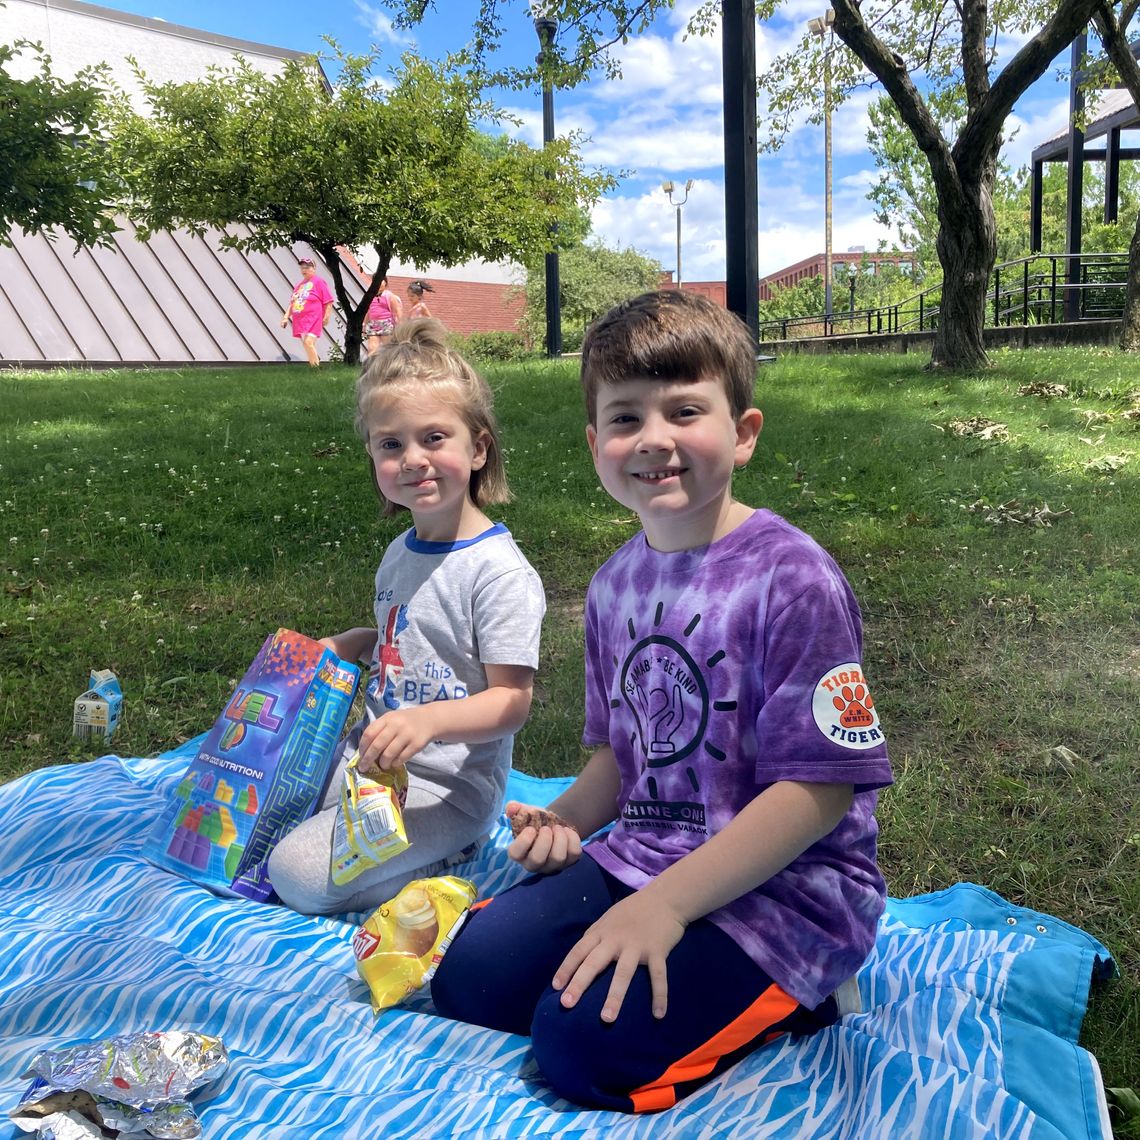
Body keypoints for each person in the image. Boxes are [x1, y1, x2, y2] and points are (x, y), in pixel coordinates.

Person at [431, 290, 893, 1113]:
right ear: (595, 444)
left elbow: (818, 792)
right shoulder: (615, 585)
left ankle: (805, 995)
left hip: (786, 895)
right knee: (469, 980)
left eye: (684, 410)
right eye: (625, 418)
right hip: (643, 863)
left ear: (743, 433)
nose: (654, 440)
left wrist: (666, 909)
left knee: (579, 1050)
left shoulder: (793, 579)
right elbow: (622, 752)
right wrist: (565, 820)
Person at [268, 318, 546, 915]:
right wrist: (357, 641)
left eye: (434, 438)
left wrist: (429, 722)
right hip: (369, 768)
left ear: (477, 448)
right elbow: (408, 638)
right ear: (372, 453)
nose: (413, 459)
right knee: (263, 804)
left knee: (292, 873)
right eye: (392, 444)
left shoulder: (498, 574)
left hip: (445, 791)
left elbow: (512, 702)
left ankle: (448, 859)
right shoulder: (401, 553)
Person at [280, 257, 334, 368]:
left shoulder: (318, 281)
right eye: (302, 267)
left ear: (313, 268)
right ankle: (313, 367)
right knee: (309, 345)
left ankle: (316, 370)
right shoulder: (299, 285)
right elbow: (292, 303)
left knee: (308, 342)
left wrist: (326, 317)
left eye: (307, 267)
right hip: (302, 320)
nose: (304, 270)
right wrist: (285, 317)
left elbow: (328, 301)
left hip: (314, 318)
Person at [364, 277, 403, 355]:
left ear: (385, 283)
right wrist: (364, 323)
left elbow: (398, 310)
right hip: (373, 324)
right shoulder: (370, 295)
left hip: (386, 323)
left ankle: (387, 365)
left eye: (382, 281)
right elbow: (368, 311)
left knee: (387, 348)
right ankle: (372, 365)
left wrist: (400, 324)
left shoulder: (389, 295)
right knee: (372, 349)